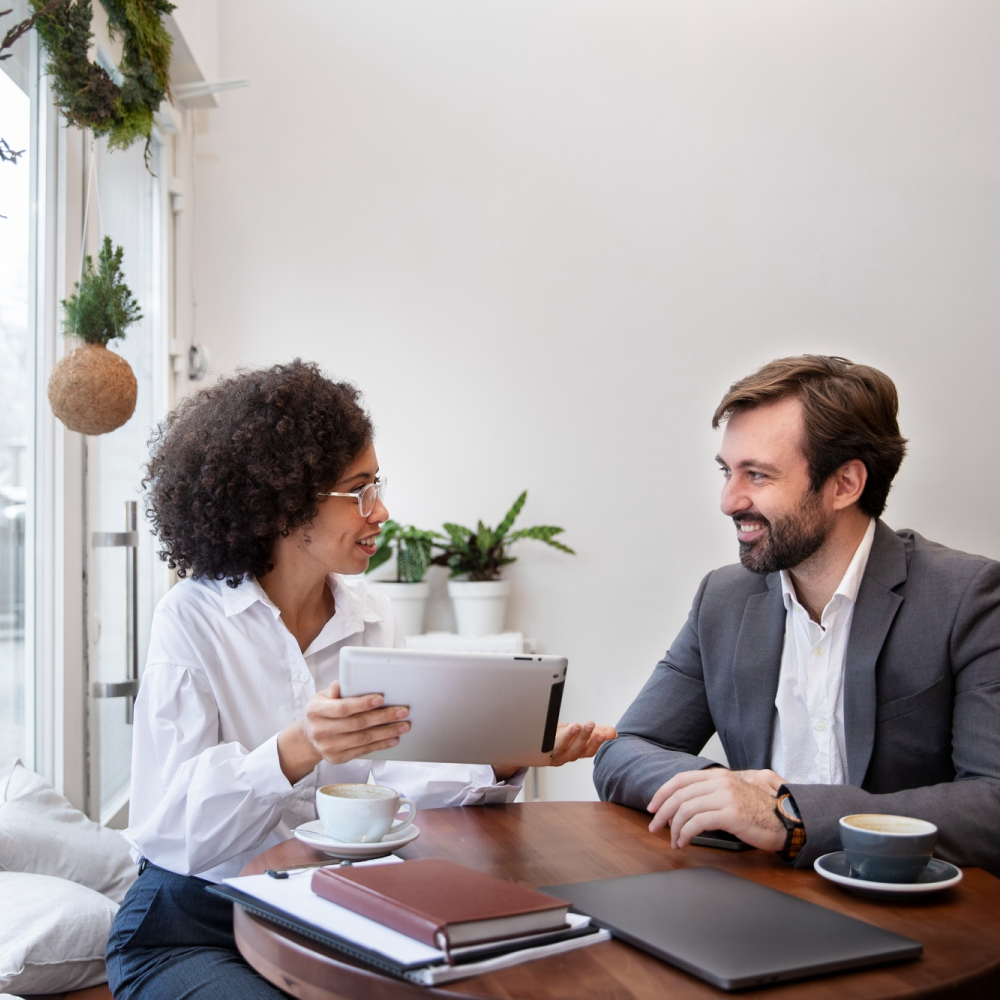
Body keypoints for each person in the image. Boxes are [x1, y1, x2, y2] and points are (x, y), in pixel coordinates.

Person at [106, 360, 615, 1000]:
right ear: (285, 501)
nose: (381, 511)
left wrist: (497, 761)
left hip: (324, 905)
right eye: (359, 490)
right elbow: (171, 830)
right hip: (192, 919)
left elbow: (390, 781)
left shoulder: (370, 616)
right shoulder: (192, 618)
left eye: (377, 485)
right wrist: (296, 749)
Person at [593, 355, 1000, 872]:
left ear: (845, 484)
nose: (727, 500)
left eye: (757, 475)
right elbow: (627, 749)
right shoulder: (723, 599)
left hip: (912, 911)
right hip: (762, 901)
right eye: (727, 471)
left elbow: (992, 805)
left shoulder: (967, 598)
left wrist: (791, 815)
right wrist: (728, 793)